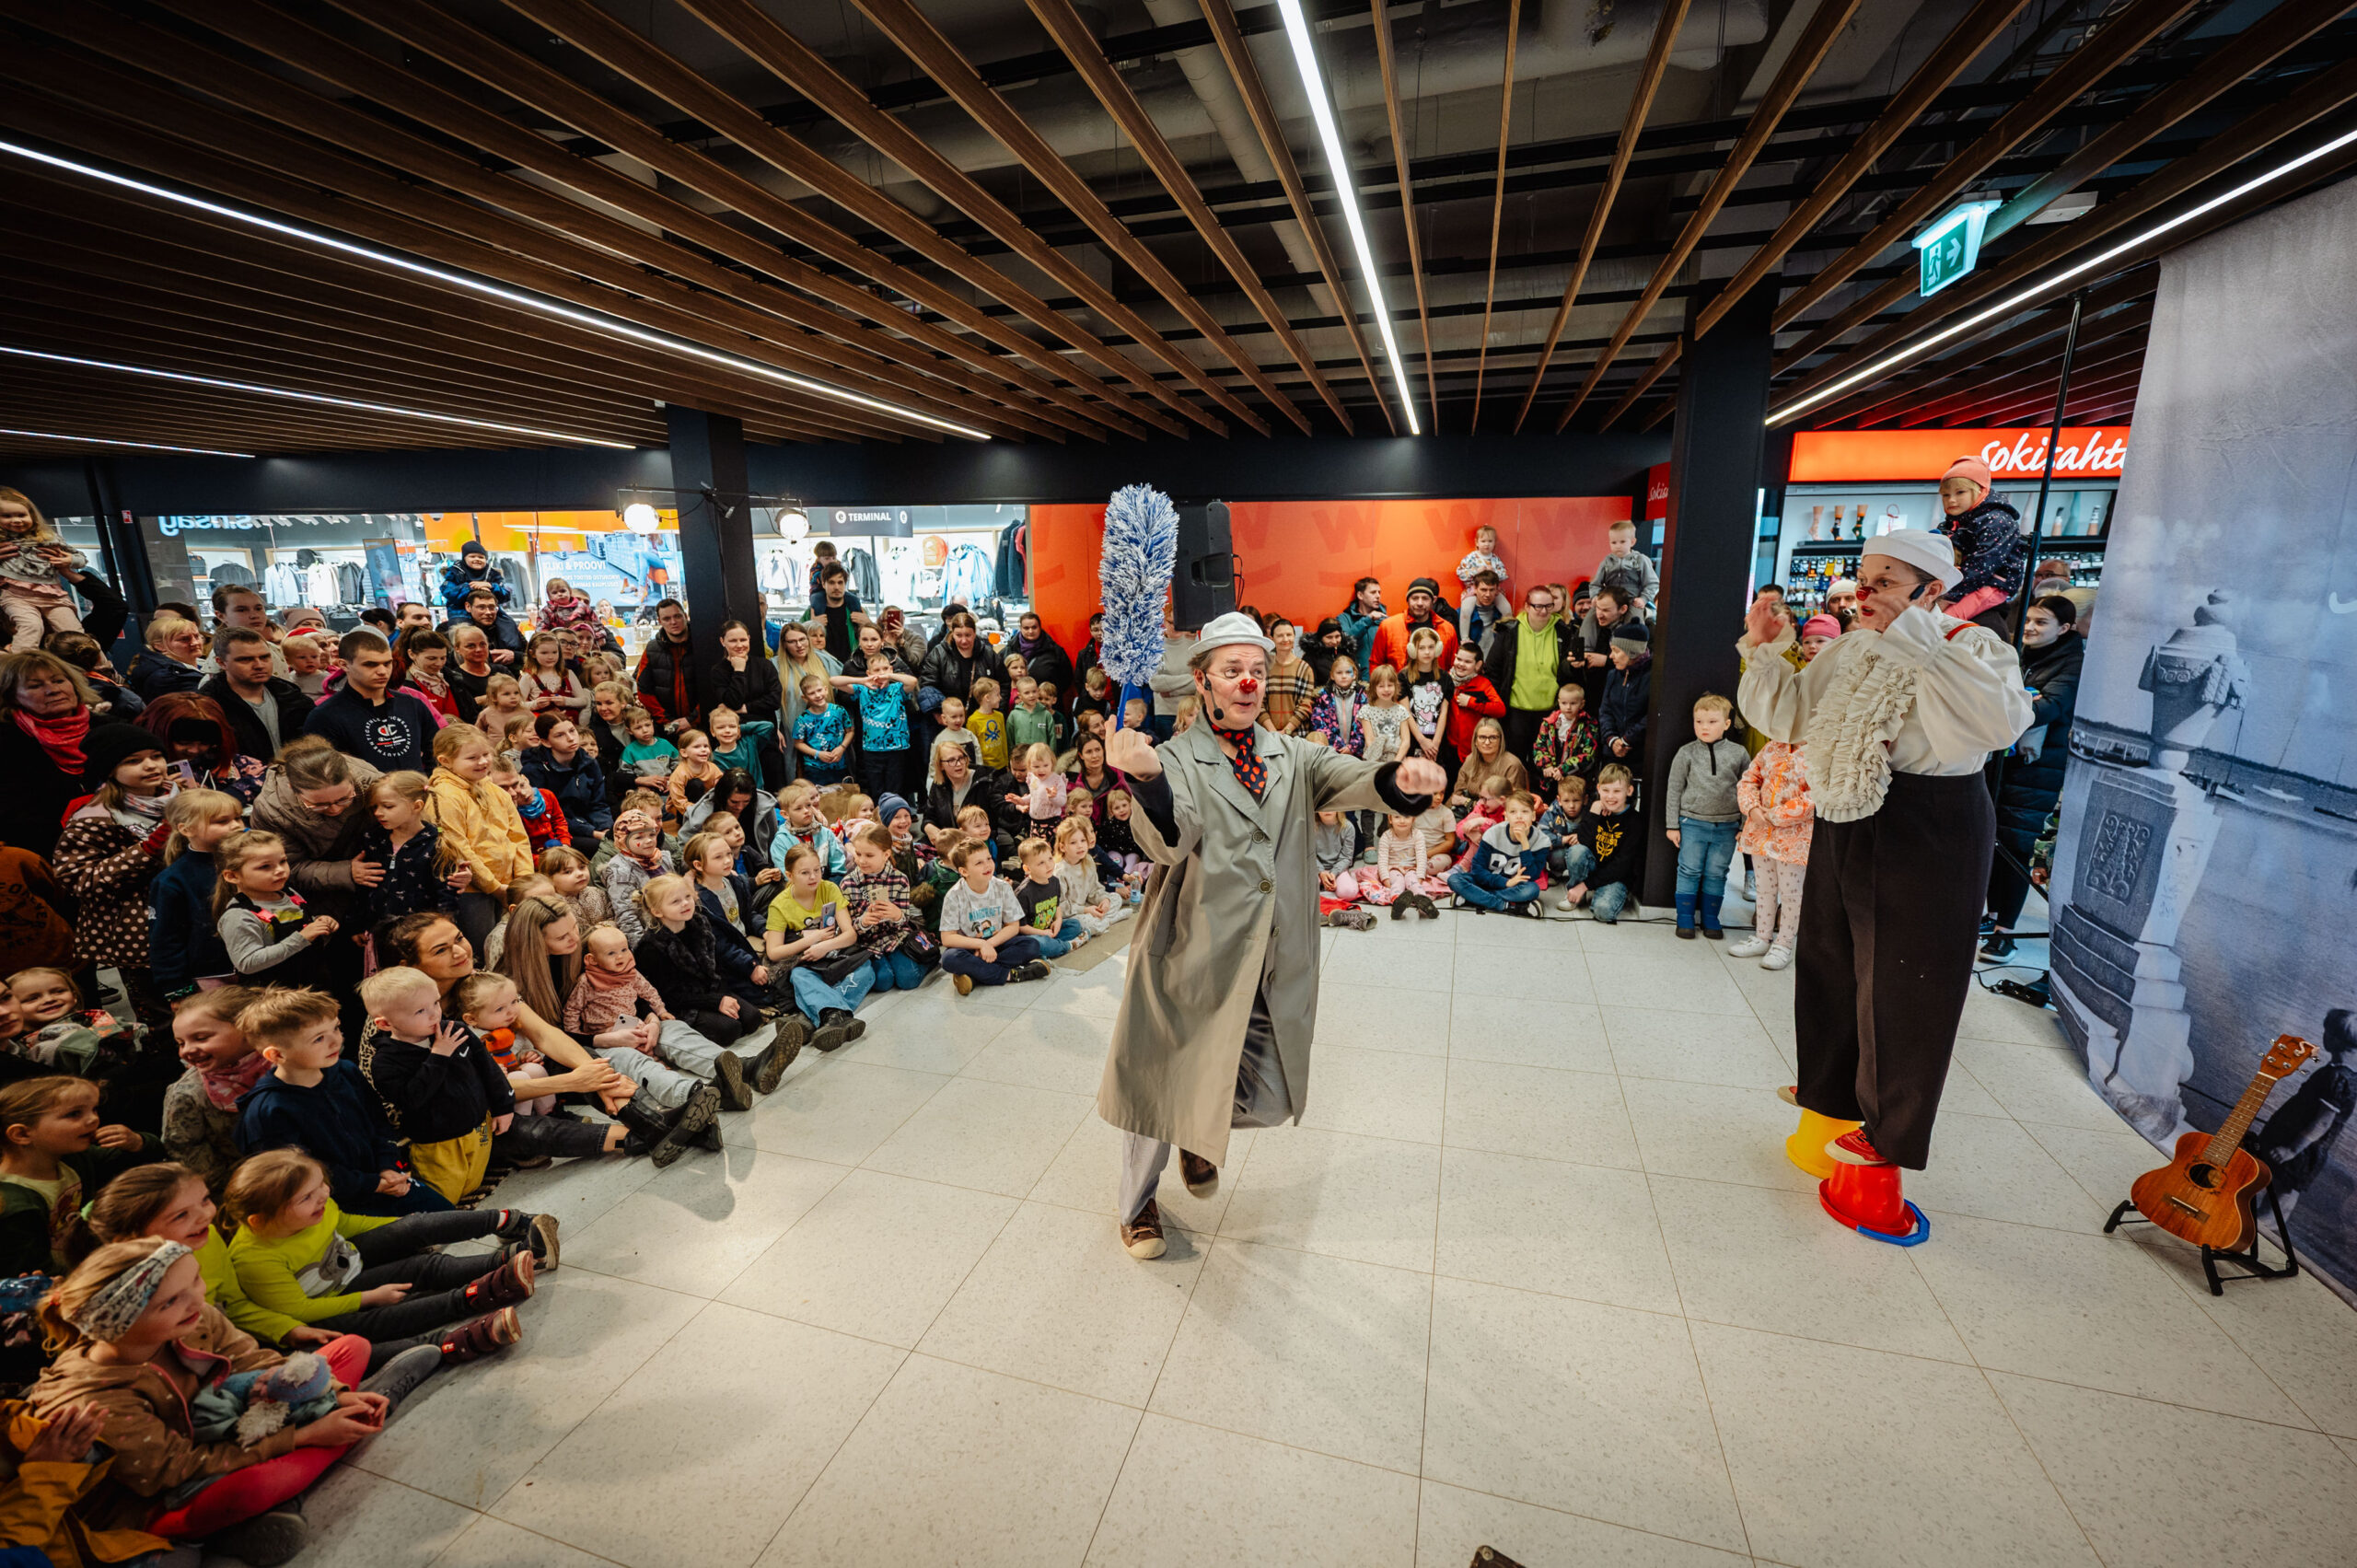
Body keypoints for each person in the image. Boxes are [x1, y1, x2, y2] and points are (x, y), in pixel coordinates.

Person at [1097, 612, 1445, 1259]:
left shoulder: (1295, 754)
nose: (1248, 681)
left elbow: (1352, 777)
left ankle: (1199, 1127)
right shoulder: (1175, 759)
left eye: (1257, 670)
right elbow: (1171, 838)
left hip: (1273, 949)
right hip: (1192, 947)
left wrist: (1398, 782)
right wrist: (1146, 779)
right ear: (1203, 681)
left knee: (1273, 1093)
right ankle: (1138, 1204)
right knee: (1159, 1082)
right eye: (1232, 670)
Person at [1736, 528, 2033, 1225]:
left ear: (1933, 589)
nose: (1864, 594)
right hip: (1845, 813)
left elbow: (1998, 725)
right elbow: (1790, 715)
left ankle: (1890, 1129)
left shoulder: (1973, 646)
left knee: (1907, 984)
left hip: (1928, 822)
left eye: (1885, 582)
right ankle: (1829, 1093)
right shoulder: (1852, 647)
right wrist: (1764, 648)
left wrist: (1921, 639)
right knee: (1830, 962)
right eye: (1863, 579)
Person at [27, 1236, 413, 1564]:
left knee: (351, 1348)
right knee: (252, 1489)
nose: (197, 1299)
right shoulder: (95, 1400)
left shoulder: (193, 1316)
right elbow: (176, 1469)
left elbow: (255, 1360)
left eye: (196, 1279)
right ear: (120, 1325)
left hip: (225, 1424)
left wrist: (338, 1394)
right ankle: (351, 1424)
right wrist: (306, 1436)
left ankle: (339, 1425)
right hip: (161, 1497)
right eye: (170, 1302)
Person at [223, 1147, 535, 1359]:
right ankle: (473, 1298)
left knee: (421, 1253)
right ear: (260, 1221)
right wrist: (369, 1297)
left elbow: (346, 1223)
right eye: (307, 1197)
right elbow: (300, 1310)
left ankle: (514, 1241)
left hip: (348, 1268)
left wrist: (401, 1227)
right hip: (324, 1308)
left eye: (321, 1184)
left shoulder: (318, 1207)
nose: (324, 1195)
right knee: (384, 1314)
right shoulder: (254, 1259)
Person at [353, 968, 513, 1204]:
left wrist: (504, 1106)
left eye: (435, 1003)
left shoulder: (456, 1029)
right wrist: (438, 1056)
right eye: (420, 1011)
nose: (434, 1015)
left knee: (473, 1182)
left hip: (479, 1126)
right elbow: (412, 1099)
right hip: (438, 1142)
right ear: (385, 1023)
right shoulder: (385, 1062)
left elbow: (488, 1070)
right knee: (443, 1196)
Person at [1983, 595, 2084, 961]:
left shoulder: (2072, 663)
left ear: (2065, 628)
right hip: (2004, 762)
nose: (2030, 628)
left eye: (2041, 623)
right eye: (2028, 620)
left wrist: (2011, 703)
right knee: (1994, 840)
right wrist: (2022, 699)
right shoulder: (2020, 655)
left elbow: (2051, 707)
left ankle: (2005, 933)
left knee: (2017, 845)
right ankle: (1992, 915)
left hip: (2037, 770)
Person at [761, 844, 877, 1042]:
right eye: (805, 873)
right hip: (808, 963)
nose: (813, 877)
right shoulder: (779, 905)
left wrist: (824, 946)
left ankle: (813, 1017)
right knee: (799, 976)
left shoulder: (829, 888)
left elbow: (850, 935)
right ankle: (836, 1016)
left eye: (817, 870)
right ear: (789, 875)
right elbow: (774, 952)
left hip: (835, 955)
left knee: (866, 970)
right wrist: (812, 940)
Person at [1730, 710, 1815, 971]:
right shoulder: (1771, 748)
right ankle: (1762, 937)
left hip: (1793, 839)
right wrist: (1752, 808)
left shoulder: (1819, 755)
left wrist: (1776, 815)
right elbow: (1749, 779)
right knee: (1765, 888)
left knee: (1791, 894)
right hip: (1760, 833)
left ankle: (1784, 944)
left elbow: (1814, 797)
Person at [1662, 694, 1747, 939]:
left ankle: (1711, 919)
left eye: (1711, 722)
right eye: (1699, 722)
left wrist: (1745, 825)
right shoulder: (1686, 753)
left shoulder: (1739, 753)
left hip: (1727, 826)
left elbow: (1748, 790)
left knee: (1717, 872)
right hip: (1693, 823)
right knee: (1689, 870)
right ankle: (1685, 918)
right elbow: (1674, 789)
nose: (1704, 727)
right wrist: (1672, 825)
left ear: (1727, 724)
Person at [301, 631, 436, 774]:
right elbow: (323, 773)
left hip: (420, 786)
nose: (382, 671)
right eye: (370, 665)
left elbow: (437, 751)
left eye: (387, 663)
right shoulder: (325, 716)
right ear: (344, 665)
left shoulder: (412, 705)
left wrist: (431, 780)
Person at [1481, 581, 1581, 775]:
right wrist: (1495, 706)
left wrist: (1573, 666)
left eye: (1548, 606)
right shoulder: (1509, 631)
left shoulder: (1565, 632)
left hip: (1550, 713)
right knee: (1514, 766)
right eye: (1538, 606)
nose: (1544, 611)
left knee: (1544, 768)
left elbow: (1569, 674)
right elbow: (1493, 670)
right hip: (1515, 711)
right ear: (1527, 606)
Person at [933, 839, 1051, 993]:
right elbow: (948, 938)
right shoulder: (954, 895)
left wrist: (989, 944)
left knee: (1032, 945)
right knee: (949, 959)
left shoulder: (1002, 887)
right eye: (979, 863)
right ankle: (1010, 975)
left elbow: (1013, 926)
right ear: (964, 871)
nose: (988, 865)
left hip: (997, 942)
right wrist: (981, 945)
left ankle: (975, 976)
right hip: (970, 947)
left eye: (988, 858)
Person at [1933, 456, 2026, 635]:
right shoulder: (1954, 522)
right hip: (1962, 583)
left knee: (1944, 622)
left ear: (1980, 490)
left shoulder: (1997, 520)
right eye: (1946, 495)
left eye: (1960, 492)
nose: (1951, 500)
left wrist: (1948, 595)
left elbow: (1982, 566)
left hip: (1993, 584)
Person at [200, 626, 313, 766]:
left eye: (264, 657)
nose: (259, 665)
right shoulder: (207, 706)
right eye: (246, 660)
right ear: (222, 663)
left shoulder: (292, 696)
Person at [1446, 789, 1552, 917]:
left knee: (1532, 890)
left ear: (1533, 816)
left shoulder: (1542, 841)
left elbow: (1530, 876)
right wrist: (1505, 882)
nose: (1519, 816)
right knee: (1454, 880)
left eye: (1525, 812)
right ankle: (1507, 906)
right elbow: (1478, 871)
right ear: (1506, 816)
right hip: (1489, 881)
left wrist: (1525, 845)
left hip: (1515, 885)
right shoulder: (1493, 833)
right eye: (1513, 812)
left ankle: (1472, 898)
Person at [1559, 762, 1641, 921]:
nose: (1610, 797)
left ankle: (1595, 890)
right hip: (1594, 867)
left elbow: (1621, 866)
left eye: (1617, 791)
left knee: (1603, 912)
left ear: (1629, 791)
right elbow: (1582, 841)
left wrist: (1586, 885)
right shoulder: (1596, 810)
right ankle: (1575, 893)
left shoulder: (1634, 821)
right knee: (1576, 851)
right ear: (1598, 789)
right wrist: (1594, 811)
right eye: (1606, 790)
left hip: (1616, 877)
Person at [520, 711, 611, 845]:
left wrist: (606, 829)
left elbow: (599, 804)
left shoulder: (588, 762)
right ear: (546, 742)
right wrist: (592, 833)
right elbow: (550, 816)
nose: (571, 738)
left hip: (590, 824)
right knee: (599, 847)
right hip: (558, 831)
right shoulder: (534, 770)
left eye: (572, 731)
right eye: (560, 735)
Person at [634, 598, 704, 735]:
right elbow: (644, 690)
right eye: (667, 619)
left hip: (702, 724)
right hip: (666, 727)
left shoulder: (703, 643)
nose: (673, 622)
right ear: (659, 621)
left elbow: (713, 687)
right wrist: (668, 721)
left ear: (685, 616)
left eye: (677, 616)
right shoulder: (652, 649)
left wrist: (693, 719)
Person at [1369, 577, 1459, 673]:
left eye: (1425, 598)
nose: (1420, 603)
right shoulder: (1388, 627)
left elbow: (1453, 668)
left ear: (1433, 600)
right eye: (1415, 598)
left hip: (1436, 682)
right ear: (1407, 600)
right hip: (1398, 682)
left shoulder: (1447, 629)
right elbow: (1376, 664)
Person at [1597, 622, 1651, 765]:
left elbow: (1650, 715)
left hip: (1639, 753)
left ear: (1632, 652)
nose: (1611, 656)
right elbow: (1605, 710)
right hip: (1611, 752)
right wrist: (1611, 739)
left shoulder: (1653, 677)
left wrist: (1627, 740)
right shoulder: (1613, 675)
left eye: (1616, 651)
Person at [1587, 518, 1658, 624]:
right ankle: (1584, 636)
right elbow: (1595, 584)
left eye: (1622, 542)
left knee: (1635, 621)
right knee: (1590, 619)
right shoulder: (1607, 562)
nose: (1618, 546)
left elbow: (1652, 583)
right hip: (1610, 600)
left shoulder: (1641, 560)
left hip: (1632, 600)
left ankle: (1635, 631)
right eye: (1614, 542)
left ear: (1632, 542)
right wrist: (1595, 596)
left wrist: (1643, 599)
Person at [445, 587, 525, 668]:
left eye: (491, 607)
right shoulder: (454, 631)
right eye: (481, 607)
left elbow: (529, 654)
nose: (488, 612)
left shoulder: (508, 626)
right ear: (468, 607)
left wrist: (515, 656)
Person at [438, 538, 510, 617]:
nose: (477, 559)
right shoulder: (455, 573)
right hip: (461, 613)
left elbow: (506, 595)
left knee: (508, 623)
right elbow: (448, 592)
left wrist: (491, 586)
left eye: (481, 557)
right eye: (472, 556)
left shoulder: (493, 574)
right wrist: (471, 588)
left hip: (490, 612)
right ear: (464, 558)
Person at [1337, 577, 1385, 669]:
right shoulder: (1344, 619)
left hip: (1379, 675)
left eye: (1379, 592)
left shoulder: (1385, 620)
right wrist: (1368, 619)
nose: (1378, 596)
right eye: (1373, 592)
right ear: (1360, 595)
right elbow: (1344, 642)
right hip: (1354, 674)